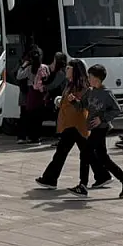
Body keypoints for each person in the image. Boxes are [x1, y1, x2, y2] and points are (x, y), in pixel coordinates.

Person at [72, 64, 123, 197]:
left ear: (97, 78)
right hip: (93, 128)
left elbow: (116, 110)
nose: (88, 79)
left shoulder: (106, 94)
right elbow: (81, 105)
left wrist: (102, 118)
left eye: (90, 76)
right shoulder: (90, 91)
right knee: (103, 157)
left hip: (101, 128)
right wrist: (73, 101)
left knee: (85, 153)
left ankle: (82, 185)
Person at [35, 59, 91, 188]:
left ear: (75, 70)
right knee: (67, 152)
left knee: (72, 153)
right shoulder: (70, 84)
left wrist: (70, 101)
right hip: (69, 123)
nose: (66, 70)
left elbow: (81, 105)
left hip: (76, 124)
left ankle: (52, 179)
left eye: (69, 68)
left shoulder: (81, 86)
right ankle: (102, 175)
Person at [15, 46, 46, 145]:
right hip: (39, 93)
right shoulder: (44, 67)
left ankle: (22, 137)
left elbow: (18, 76)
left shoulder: (27, 67)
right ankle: (34, 137)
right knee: (36, 116)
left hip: (28, 93)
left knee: (25, 115)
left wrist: (22, 66)